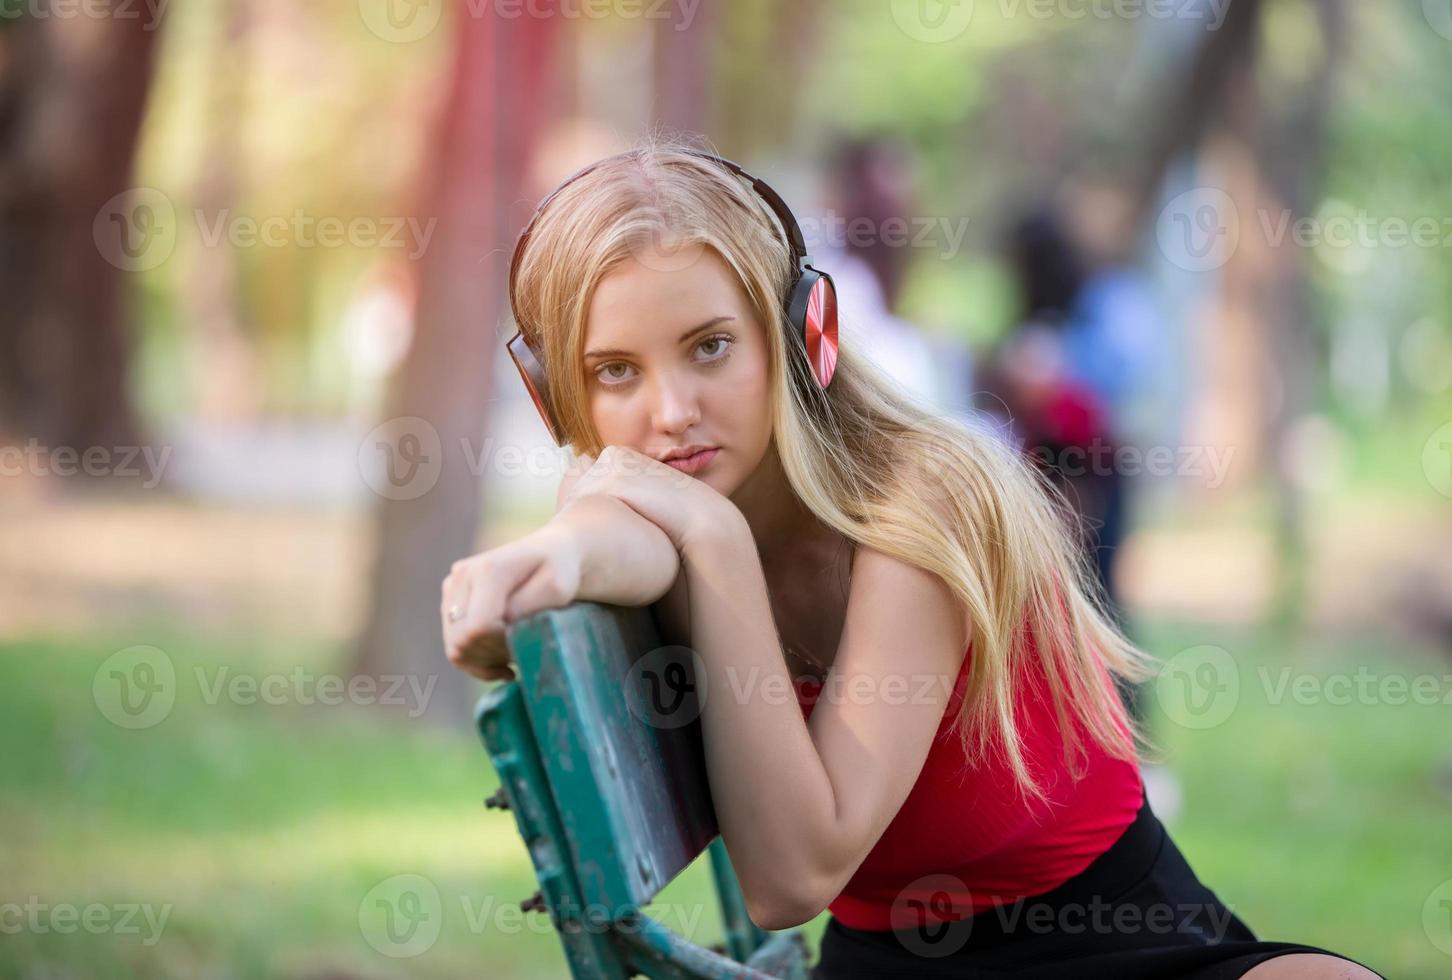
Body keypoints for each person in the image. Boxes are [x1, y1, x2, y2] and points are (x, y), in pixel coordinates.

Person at [438, 137, 1383, 980]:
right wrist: (553, 559)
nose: (671, 411)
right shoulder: (663, 503)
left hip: (1129, 940)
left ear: (803, 337)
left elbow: (796, 874)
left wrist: (717, 550)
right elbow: (606, 543)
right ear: (557, 396)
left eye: (711, 347)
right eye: (617, 372)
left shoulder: (922, 498)